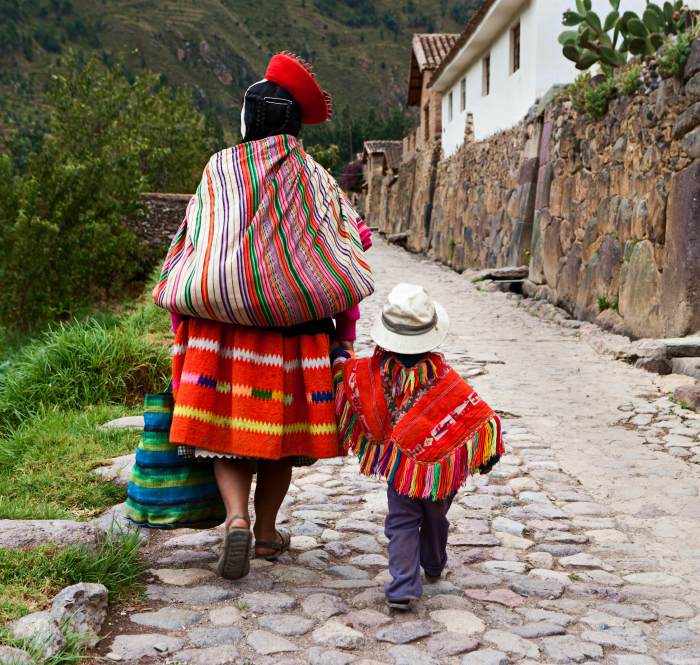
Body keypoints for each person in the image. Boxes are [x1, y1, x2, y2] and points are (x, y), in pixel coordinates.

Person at [159, 52, 372, 580]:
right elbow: (347, 244)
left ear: (249, 122)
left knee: (226, 435)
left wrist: (181, 322)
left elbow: (192, 242)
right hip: (293, 336)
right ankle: (267, 532)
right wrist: (343, 336)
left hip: (218, 332)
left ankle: (234, 517)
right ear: (294, 124)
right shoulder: (315, 179)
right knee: (277, 439)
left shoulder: (218, 169)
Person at [332, 284, 504, 609]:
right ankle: (434, 563)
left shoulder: (376, 370)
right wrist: (486, 455)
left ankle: (403, 586)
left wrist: (338, 357)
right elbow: (473, 414)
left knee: (401, 522)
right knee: (436, 518)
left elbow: (348, 375)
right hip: (440, 473)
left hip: (401, 472)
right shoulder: (442, 377)